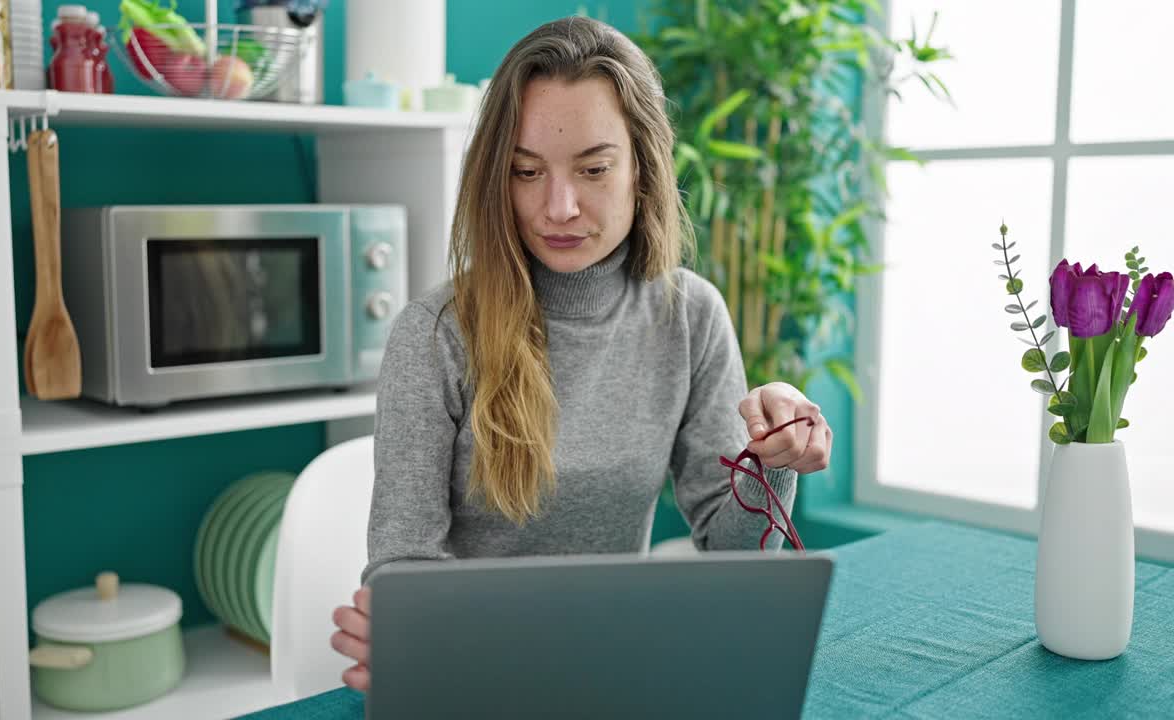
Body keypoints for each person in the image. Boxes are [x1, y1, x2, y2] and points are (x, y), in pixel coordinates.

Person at [330, 16, 833, 692]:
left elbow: (734, 549)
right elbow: (404, 566)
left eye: (593, 169)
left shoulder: (691, 315)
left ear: (642, 169)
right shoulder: (435, 333)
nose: (558, 207)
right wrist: (416, 637)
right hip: (476, 682)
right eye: (525, 171)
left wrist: (769, 457)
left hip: (614, 675)